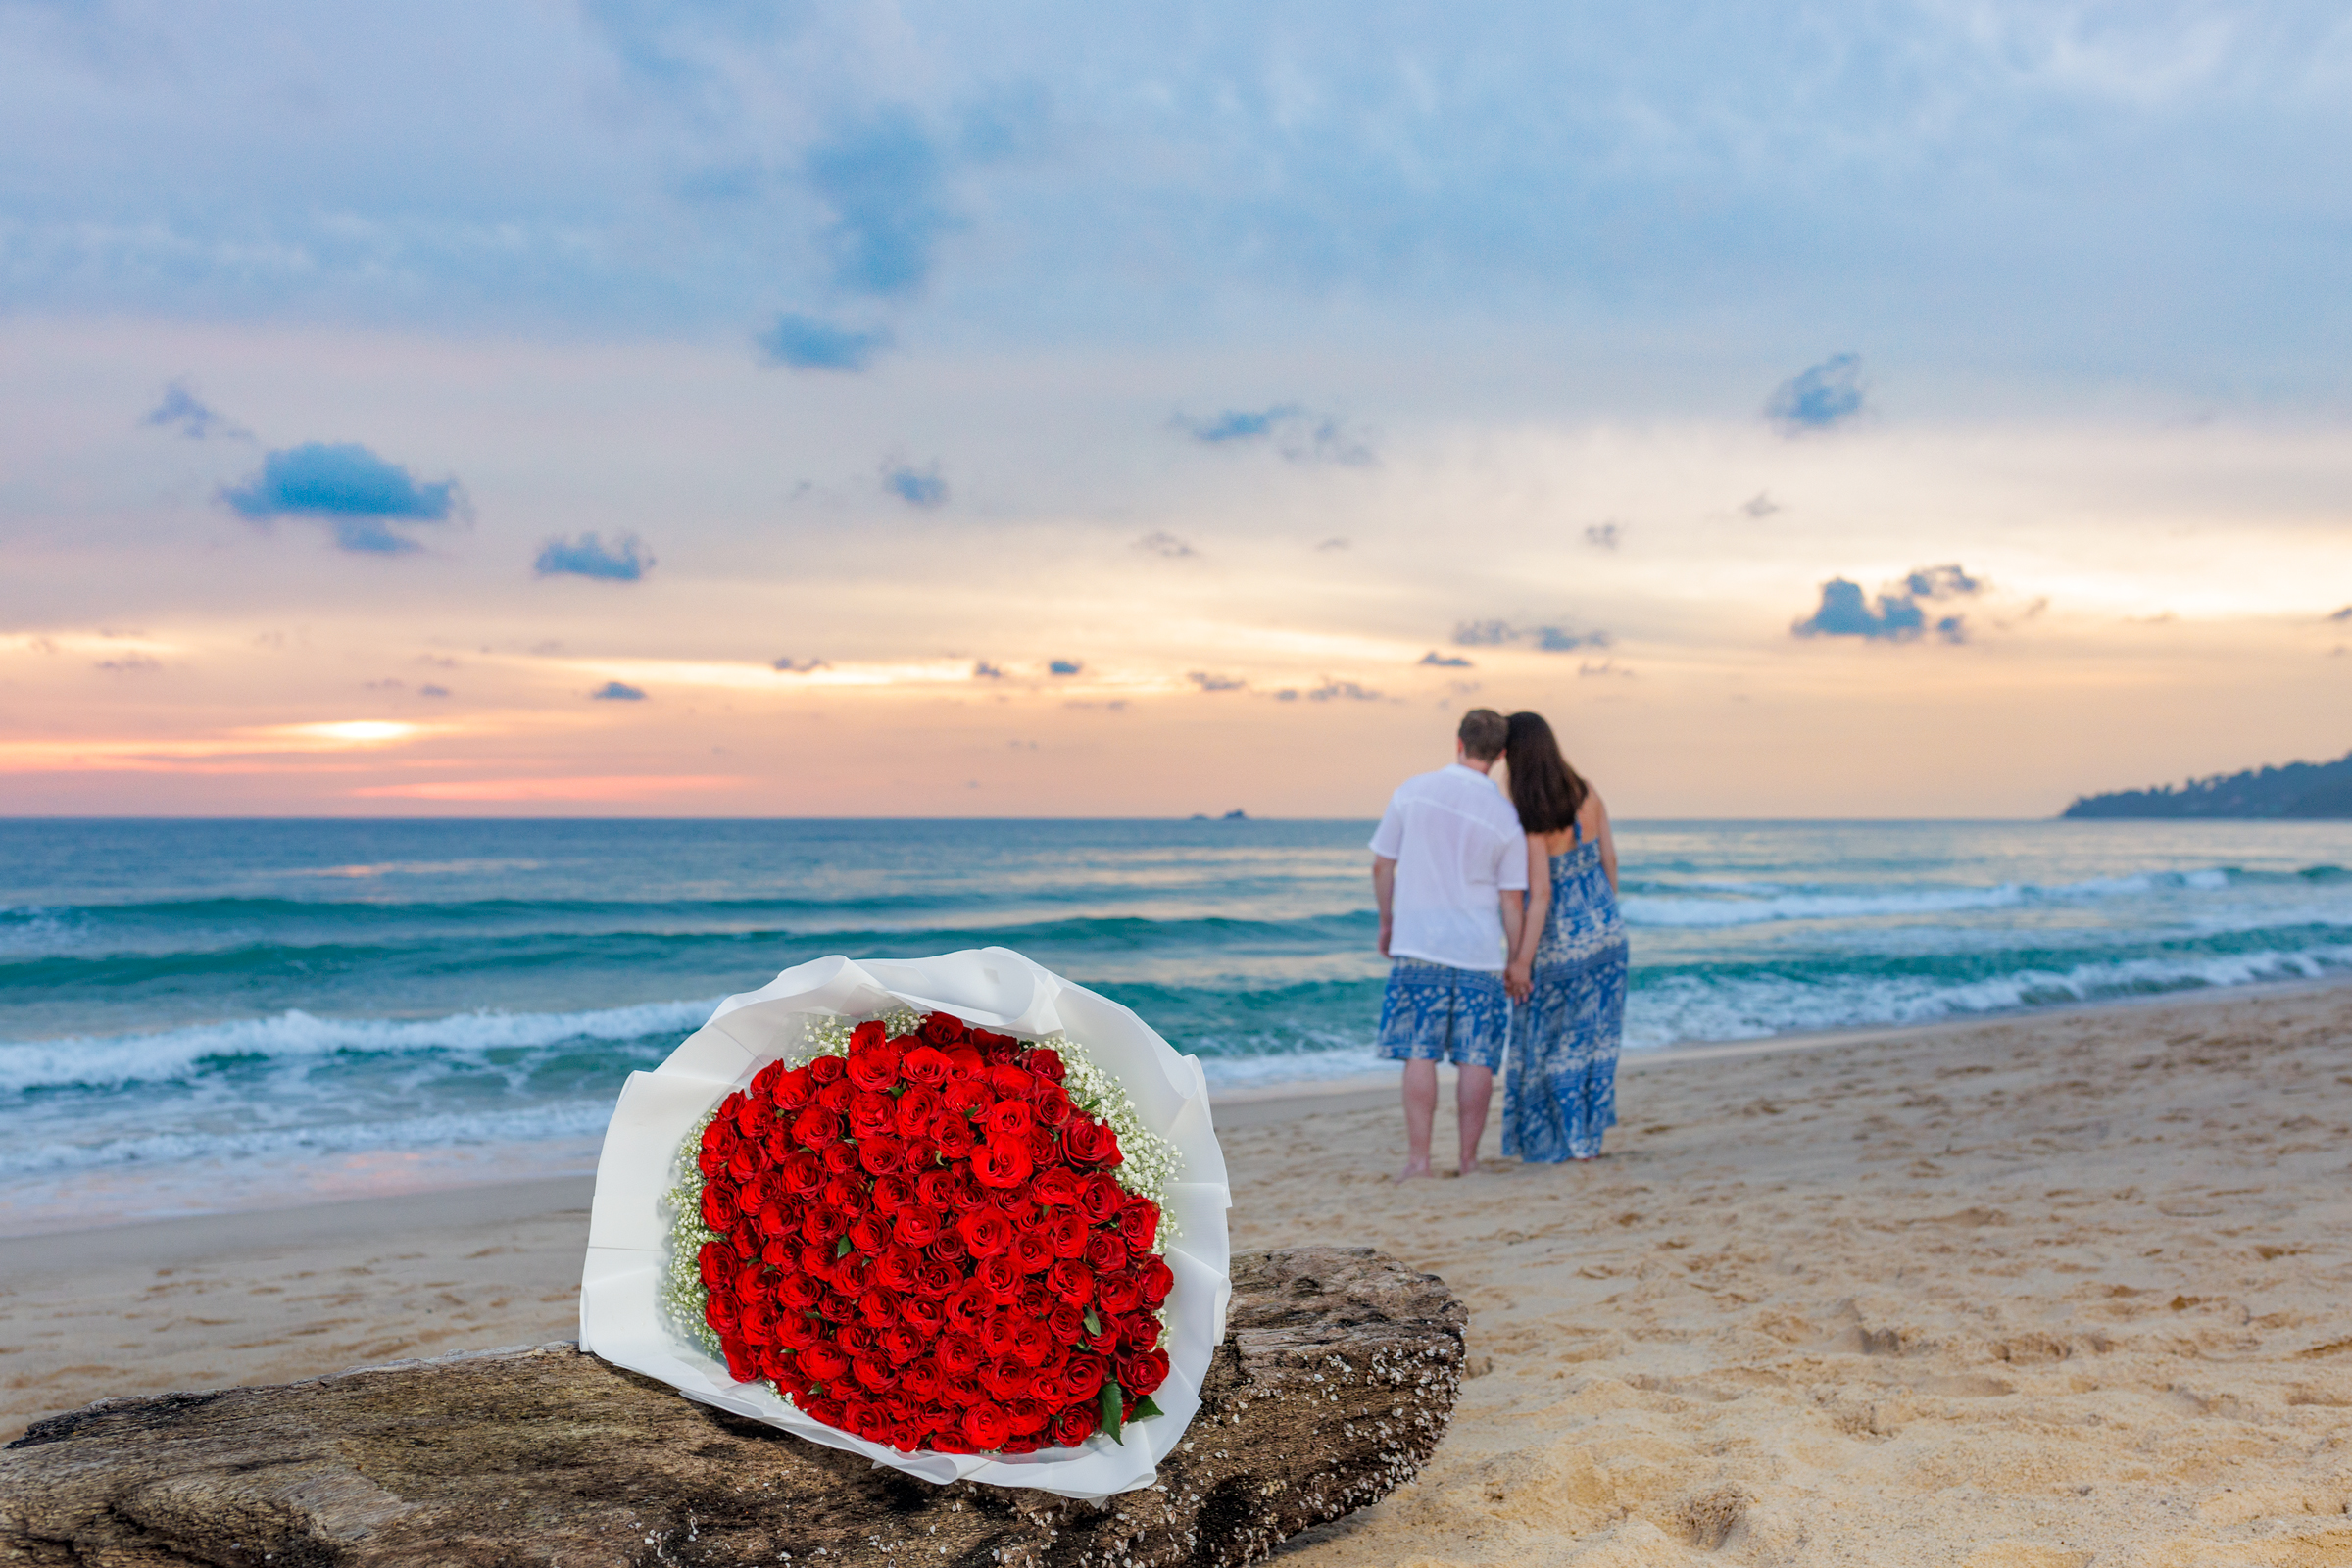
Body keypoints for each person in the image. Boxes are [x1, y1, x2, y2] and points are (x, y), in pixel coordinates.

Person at [1370, 709, 1530, 1178]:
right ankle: (1468, 1160)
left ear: (1457, 742)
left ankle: (1419, 1161)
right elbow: (1512, 900)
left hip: (1419, 941)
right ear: (1500, 755)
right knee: (1476, 1056)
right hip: (1478, 949)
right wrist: (1517, 957)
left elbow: (1383, 865)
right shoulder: (1505, 816)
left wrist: (1387, 922)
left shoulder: (1413, 791)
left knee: (1419, 1051)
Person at [1499, 710, 1628, 1162]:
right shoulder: (1587, 790)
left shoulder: (1533, 815)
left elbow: (1542, 895)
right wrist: (1603, 914)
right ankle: (1588, 1140)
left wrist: (1521, 960)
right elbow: (1609, 859)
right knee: (1594, 1039)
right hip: (1607, 929)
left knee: (1554, 1042)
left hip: (1560, 940)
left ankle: (1566, 1143)